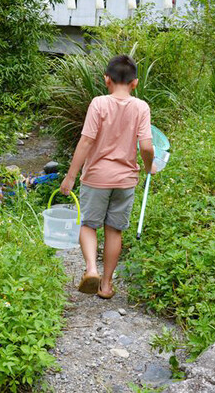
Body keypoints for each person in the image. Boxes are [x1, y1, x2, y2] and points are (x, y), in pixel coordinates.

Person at [59, 54, 155, 299]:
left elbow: (86, 141)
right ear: (135, 83)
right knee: (114, 230)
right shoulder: (141, 107)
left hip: (96, 178)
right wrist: (148, 166)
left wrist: (70, 176)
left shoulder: (98, 103)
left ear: (106, 79)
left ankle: (91, 269)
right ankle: (107, 285)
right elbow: (145, 146)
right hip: (125, 180)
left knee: (88, 224)